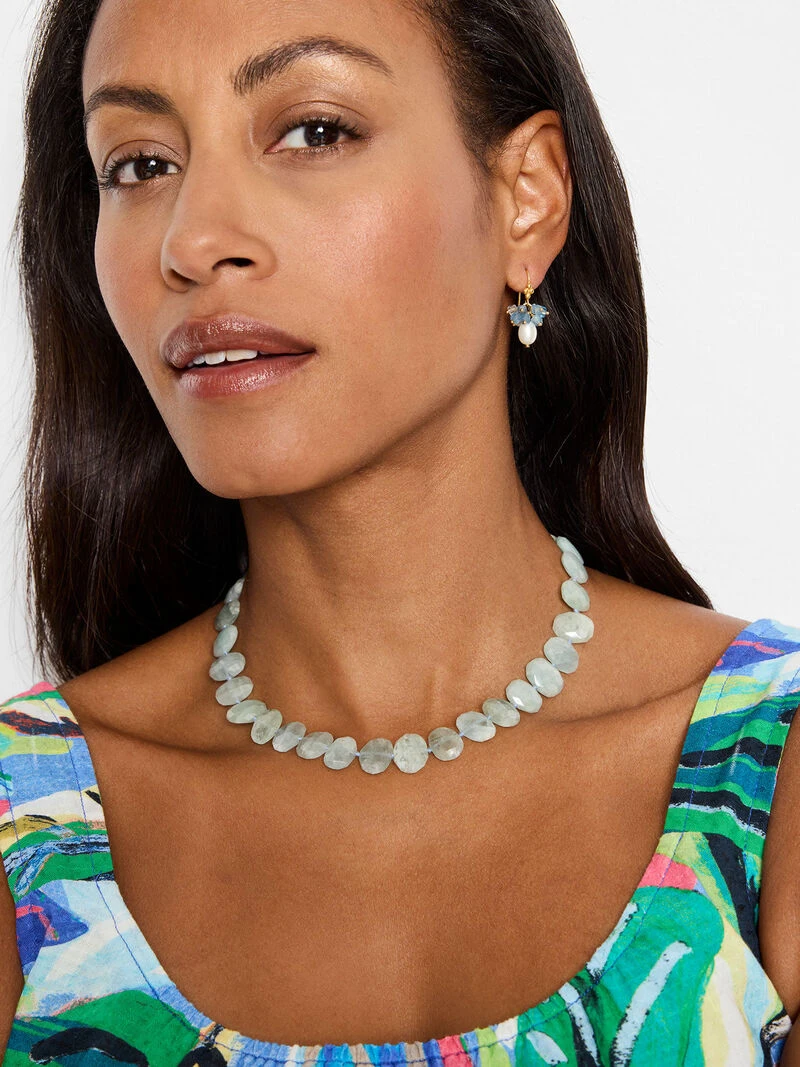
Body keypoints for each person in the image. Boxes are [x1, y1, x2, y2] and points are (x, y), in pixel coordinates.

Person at [1, 0, 799, 1062]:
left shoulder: (769, 775)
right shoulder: (28, 833)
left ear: (525, 197)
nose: (192, 241)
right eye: (140, 164)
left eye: (314, 131)